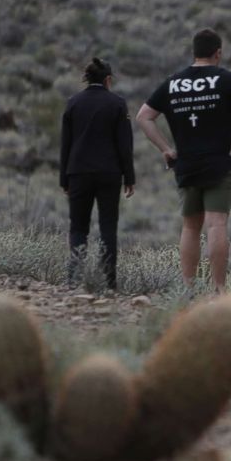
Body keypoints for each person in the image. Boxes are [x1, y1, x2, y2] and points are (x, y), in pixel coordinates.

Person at [136, 29, 231, 293]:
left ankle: (187, 289)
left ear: (194, 52)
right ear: (218, 53)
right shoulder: (228, 79)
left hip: (187, 164)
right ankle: (218, 290)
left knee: (190, 227)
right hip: (220, 162)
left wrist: (165, 148)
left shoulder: (173, 83)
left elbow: (144, 117)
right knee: (217, 224)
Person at [59, 57, 135, 290]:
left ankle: (74, 279)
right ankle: (110, 282)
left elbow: (66, 144)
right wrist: (129, 177)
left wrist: (64, 178)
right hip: (109, 174)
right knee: (108, 227)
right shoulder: (118, 104)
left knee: (79, 227)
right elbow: (125, 145)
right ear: (108, 80)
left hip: (78, 172)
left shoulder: (73, 103)